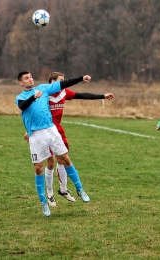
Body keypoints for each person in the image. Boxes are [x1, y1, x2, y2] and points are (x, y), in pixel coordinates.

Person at [15, 71, 91, 217]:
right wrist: (33, 97)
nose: (30, 79)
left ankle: (80, 189)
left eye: (31, 76)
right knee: (38, 168)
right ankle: (44, 202)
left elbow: (64, 84)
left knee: (65, 159)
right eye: (26, 78)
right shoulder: (20, 97)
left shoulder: (43, 88)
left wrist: (81, 78)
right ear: (21, 83)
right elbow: (23, 106)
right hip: (36, 134)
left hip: (51, 129)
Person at [45, 72, 115, 205]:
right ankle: (49, 193)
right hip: (45, 130)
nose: (63, 82)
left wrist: (102, 96)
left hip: (58, 130)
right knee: (50, 162)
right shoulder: (45, 93)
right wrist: (29, 129)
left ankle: (63, 189)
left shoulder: (64, 92)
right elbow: (34, 111)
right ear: (52, 82)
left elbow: (82, 95)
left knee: (64, 159)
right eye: (61, 80)